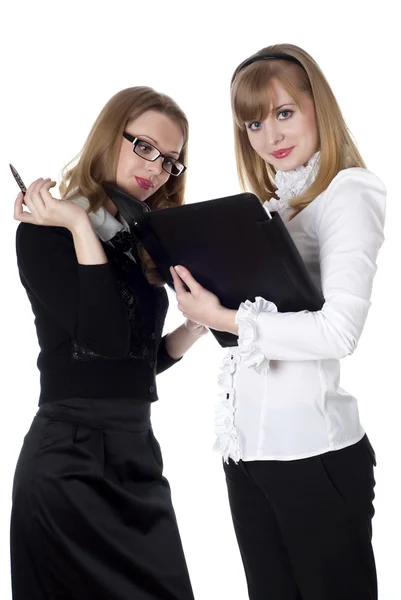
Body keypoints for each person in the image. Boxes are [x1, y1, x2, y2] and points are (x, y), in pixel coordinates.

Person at [170, 44, 386, 600]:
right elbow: (253, 326)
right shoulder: (276, 209)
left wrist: (224, 315)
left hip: (313, 454)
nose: (270, 136)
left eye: (284, 112)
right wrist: (203, 309)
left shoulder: (349, 192)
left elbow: (340, 331)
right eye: (254, 123)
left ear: (320, 107)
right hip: (248, 453)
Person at [11, 86, 207, 600]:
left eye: (170, 161)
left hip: (136, 455)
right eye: (144, 146)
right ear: (109, 135)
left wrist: (195, 327)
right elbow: (98, 340)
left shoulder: (136, 241)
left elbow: (133, 359)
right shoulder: (44, 230)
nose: (157, 169)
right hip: (67, 463)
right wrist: (77, 223)